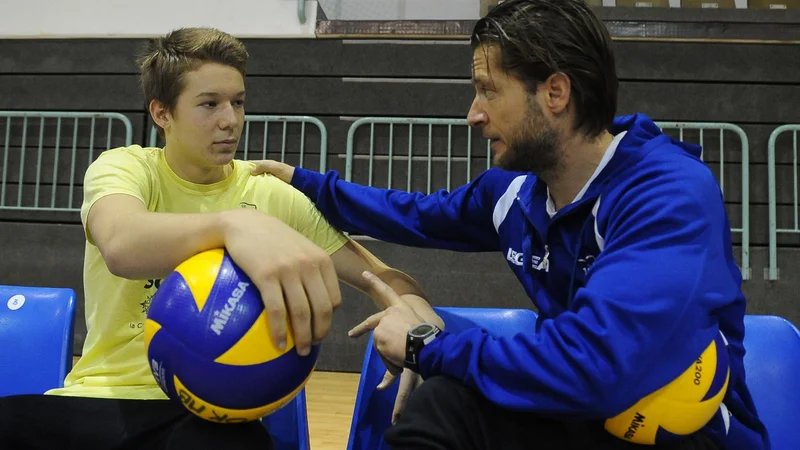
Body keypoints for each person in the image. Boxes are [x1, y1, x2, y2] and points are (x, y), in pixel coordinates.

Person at [249, 0, 770, 449]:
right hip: (579, 415)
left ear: (555, 94)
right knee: (441, 408)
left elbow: (596, 366)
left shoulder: (665, 193)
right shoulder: (517, 194)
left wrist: (427, 345)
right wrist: (304, 184)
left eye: (487, 90)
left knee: (447, 380)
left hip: (681, 431)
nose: (472, 115)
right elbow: (413, 212)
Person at [0, 27, 440, 450]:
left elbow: (384, 280)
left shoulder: (268, 194)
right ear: (162, 113)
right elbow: (120, 243)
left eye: (238, 102)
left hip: (211, 414)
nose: (230, 120)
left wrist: (421, 323)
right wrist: (234, 226)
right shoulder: (126, 168)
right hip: (103, 398)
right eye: (209, 104)